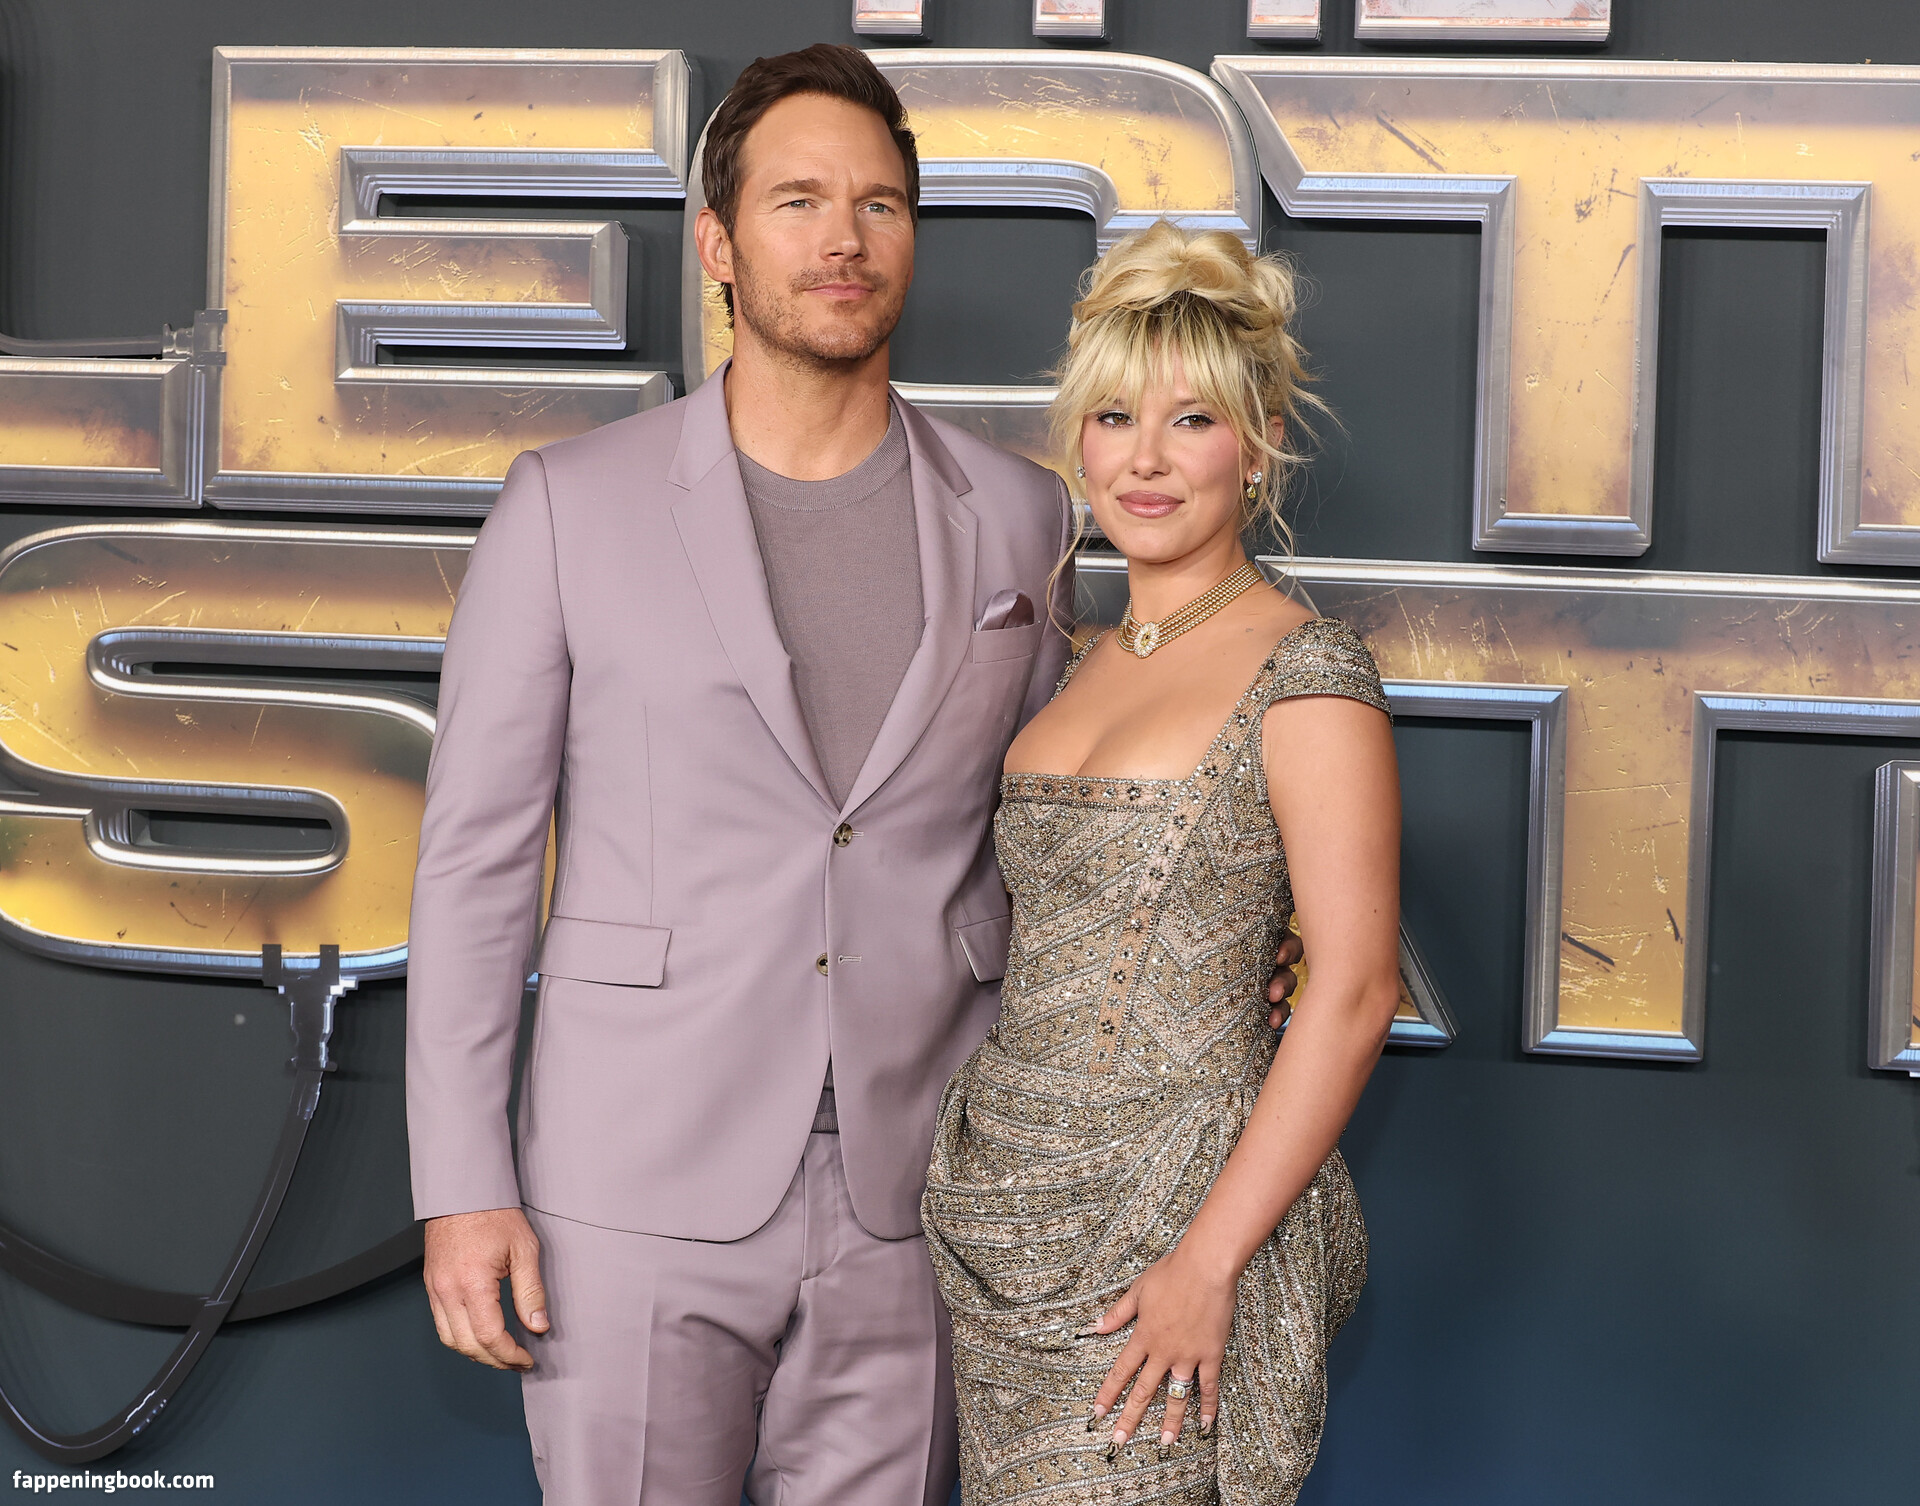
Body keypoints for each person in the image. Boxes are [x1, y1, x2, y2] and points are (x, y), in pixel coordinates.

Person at [403, 45, 1303, 1506]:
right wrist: (461, 1182)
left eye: (880, 205)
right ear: (718, 242)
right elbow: (475, 867)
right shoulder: (567, 506)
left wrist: (1243, 931)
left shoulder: (1019, 517)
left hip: (926, 1188)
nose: (844, 240)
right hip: (631, 1187)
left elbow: (1055, 821)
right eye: (799, 201)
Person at [923, 221, 1404, 1505]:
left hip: (1174, 1226)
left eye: (1190, 421)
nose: (1143, 459)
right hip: (1002, 1214)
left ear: (1258, 444)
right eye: (1114, 417)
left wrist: (1208, 1262)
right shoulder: (1069, 663)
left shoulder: (1307, 672)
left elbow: (1357, 990)